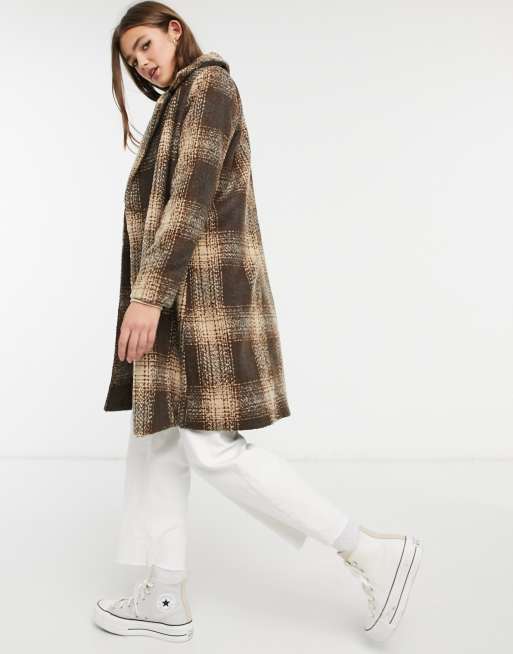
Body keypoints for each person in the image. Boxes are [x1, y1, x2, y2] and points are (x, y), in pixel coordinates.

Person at [93, 1, 423, 644]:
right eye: (132, 58)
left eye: (145, 45)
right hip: (177, 301)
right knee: (158, 439)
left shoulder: (208, 86)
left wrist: (147, 295)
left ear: (174, 30)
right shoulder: (176, 104)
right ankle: (165, 594)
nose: (142, 62)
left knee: (210, 447)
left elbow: (189, 201)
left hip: (201, 300)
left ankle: (371, 552)